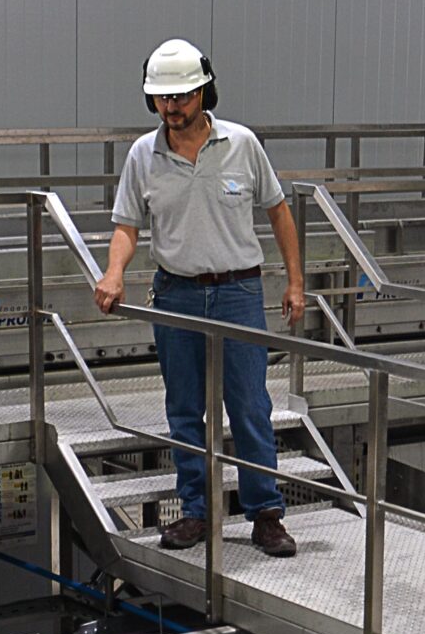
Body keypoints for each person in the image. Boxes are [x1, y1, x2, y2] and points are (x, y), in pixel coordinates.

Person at [93, 39, 307, 558]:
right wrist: (114, 272)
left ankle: (266, 513)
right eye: (163, 98)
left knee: (250, 405)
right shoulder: (143, 155)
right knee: (184, 408)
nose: (172, 107)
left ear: (204, 93)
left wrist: (296, 282)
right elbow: (126, 226)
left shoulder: (242, 144)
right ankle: (195, 510)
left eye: (182, 97)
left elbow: (279, 212)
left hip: (238, 292)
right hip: (177, 294)